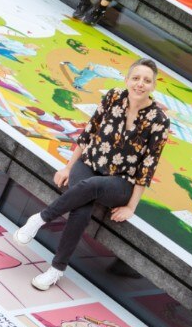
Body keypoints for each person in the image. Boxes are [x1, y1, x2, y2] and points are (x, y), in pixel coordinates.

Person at [15, 58, 170, 290]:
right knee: (81, 209)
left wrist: (131, 207)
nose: (140, 84)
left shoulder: (159, 121)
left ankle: (40, 219)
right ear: (127, 80)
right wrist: (68, 167)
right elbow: (89, 132)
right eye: (136, 78)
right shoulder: (113, 97)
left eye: (147, 81)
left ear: (153, 86)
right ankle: (56, 270)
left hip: (120, 182)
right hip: (88, 163)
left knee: (92, 186)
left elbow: (149, 165)